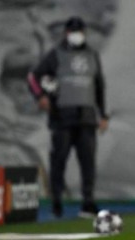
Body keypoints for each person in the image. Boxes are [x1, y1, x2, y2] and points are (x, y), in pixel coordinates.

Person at [27, 16, 109, 218]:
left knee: (88, 162)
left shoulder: (92, 55)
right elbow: (33, 77)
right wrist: (40, 96)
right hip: (62, 116)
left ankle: (87, 203)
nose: (76, 35)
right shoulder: (56, 54)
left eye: (79, 31)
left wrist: (103, 114)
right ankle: (56, 202)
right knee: (59, 161)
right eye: (73, 31)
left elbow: (99, 86)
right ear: (66, 33)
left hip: (87, 117)